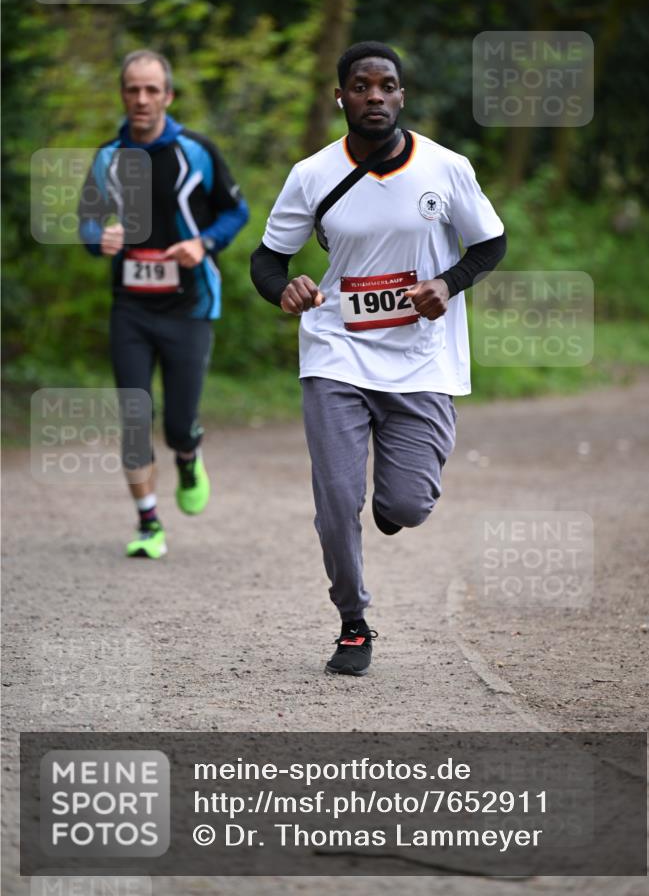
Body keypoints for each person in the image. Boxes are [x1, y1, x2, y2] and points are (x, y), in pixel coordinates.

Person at [251, 40, 506, 676]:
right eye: (360, 86)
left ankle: (393, 509)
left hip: (421, 360)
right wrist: (284, 288)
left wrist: (446, 283)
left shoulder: (446, 168)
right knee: (337, 499)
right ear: (341, 96)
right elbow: (267, 259)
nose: (374, 96)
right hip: (337, 350)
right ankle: (354, 622)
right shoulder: (312, 174)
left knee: (408, 506)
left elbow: (490, 243)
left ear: (401, 96)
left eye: (386, 86)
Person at [79, 49, 249, 559]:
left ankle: (188, 452)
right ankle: (149, 522)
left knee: (177, 423)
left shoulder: (197, 151)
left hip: (189, 304)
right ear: (122, 95)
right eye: (133, 89)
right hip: (129, 306)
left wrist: (204, 243)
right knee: (134, 418)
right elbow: (88, 223)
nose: (142, 98)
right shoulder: (109, 156)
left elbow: (235, 210)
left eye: (152, 89)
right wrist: (97, 238)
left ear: (168, 96)